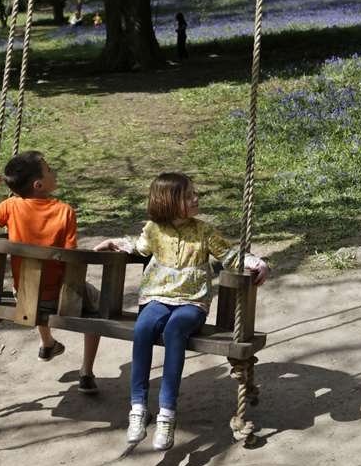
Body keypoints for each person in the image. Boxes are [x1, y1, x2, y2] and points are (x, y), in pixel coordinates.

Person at [95, 172, 269, 451]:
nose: (196, 198)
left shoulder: (203, 231)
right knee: (142, 329)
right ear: (168, 202)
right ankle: (138, 407)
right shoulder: (153, 229)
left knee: (175, 330)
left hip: (191, 302)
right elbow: (139, 249)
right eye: (189, 196)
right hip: (156, 298)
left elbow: (228, 255)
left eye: (194, 193)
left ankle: (167, 412)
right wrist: (116, 243)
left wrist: (256, 262)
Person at [0, 151, 102, 394]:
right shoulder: (65, 211)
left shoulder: (10, 207)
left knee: (33, 285)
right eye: (49, 170)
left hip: (26, 297)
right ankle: (86, 372)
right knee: (99, 307)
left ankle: (47, 342)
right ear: (38, 185)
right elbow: (72, 261)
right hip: (61, 299)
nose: (54, 172)